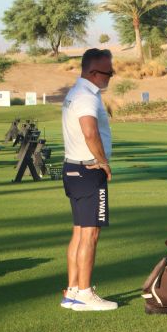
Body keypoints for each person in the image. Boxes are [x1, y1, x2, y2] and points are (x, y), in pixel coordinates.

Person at [59, 48, 118, 311]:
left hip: (74, 169)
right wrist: (103, 161)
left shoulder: (77, 92)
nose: (110, 76)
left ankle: (72, 291)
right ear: (94, 72)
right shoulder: (86, 97)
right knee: (90, 234)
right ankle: (84, 293)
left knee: (80, 231)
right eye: (108, 72)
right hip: (89, 171)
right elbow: (90, 132)